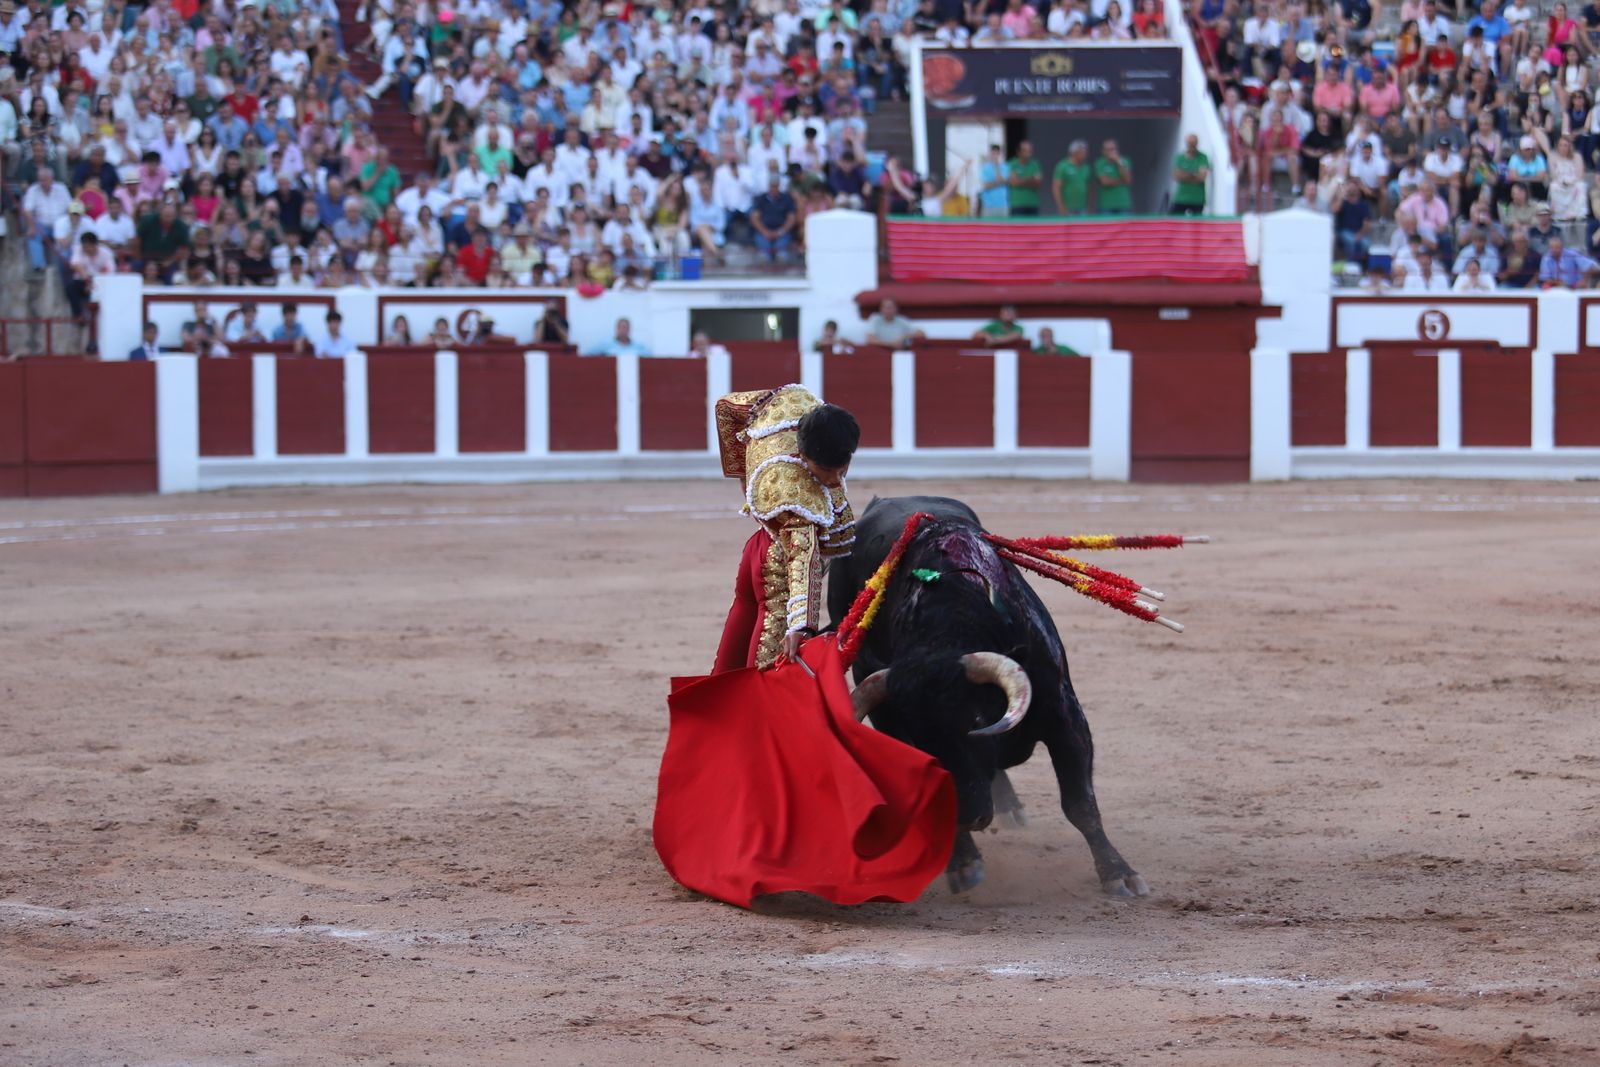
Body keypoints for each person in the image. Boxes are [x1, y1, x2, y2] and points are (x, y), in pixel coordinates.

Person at [711, 386, 859, 671]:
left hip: (757, 548)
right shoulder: (794, 492)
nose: (836, 481)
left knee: (739, 627)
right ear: (802, 457)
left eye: (842, 469)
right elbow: (804, 558)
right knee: (769, 666)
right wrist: (801, 625)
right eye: (826, 472)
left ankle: (721, 707)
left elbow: (727, 408)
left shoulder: (794, 403)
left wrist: (744, 476)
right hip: (778, 563)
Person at [1171, 134, 1210, 215]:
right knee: (1174, 221)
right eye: (1190, 143)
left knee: (1197, 225)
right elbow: (1176, 175)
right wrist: (1194, 174)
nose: (1191, 146)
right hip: (1181, 198)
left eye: (1193, 143)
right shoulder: (1180, 158)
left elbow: (1202, 177)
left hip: (1197, 199)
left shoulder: (1203, 157)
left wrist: (1184, 174)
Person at [1052, 140, 1094, 216]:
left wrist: (1090, 206)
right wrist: (1061, 206)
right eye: (1083, 152)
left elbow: (1089, 188)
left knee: (1083, 227)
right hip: (1068, 209)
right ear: (1074, 153)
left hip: (1083, 209)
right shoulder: (1063, 166)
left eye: (1085, 152)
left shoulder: (1086, 167)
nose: (1085, 154)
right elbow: (1056, 188)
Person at [1095, 139, 1133, 214]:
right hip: (1106, 205)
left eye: (1112, 149)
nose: (1111, 152)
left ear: (1117, 150)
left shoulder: (1125, 161)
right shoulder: (1100, 163)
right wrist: (1120, 181)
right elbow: (1105, 182)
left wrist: (1118, 162)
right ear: (1103, 151)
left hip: (1123, 204)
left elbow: (1127, 180)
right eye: (1108, 150)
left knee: (1125, 225)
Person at [1007, 141, 1042, 217]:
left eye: (1030, 151)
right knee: (1017, 228)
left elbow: (1038, 183)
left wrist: (1020, 180)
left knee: (1033, 228)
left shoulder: (1035, 164)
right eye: (1025, 151)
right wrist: (1032, 178)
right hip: (1017, 204)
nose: (1028, 153)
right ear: (1019, 152)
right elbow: (1014, 182)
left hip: (1032, 204)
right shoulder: (1012, 164)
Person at [587, 317, 652, 356]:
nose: (623, 330)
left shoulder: (639, 346)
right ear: (617, 329)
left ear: (629, 329)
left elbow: (651, 359)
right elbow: (589, 355)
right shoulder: (606, 344)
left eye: (625, 327)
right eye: (621, 327)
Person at [977, 143, 1010, 217]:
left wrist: (997, 167)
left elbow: (1006, 181)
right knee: (988, 228)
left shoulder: (1005, 167)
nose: (994, 155)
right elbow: (985, 185)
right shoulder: (985, 168)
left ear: (1000, 154)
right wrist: (998, 182)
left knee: (1003, 228)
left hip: (1003, 205)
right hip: (988, 205)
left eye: (996, 153)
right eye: (993, 153)